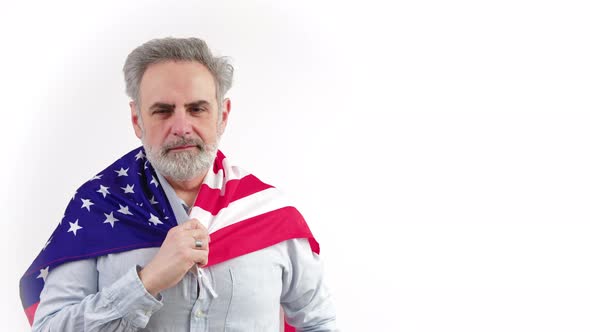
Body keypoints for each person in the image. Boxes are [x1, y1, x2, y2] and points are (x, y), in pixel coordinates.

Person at [20, 37, 338, 331]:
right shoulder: (98, 210)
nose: (182, 127)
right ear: (137, 120)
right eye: (163, 111)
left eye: (197, 109)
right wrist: (146, 282)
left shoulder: (270, 214)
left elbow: (318, 322)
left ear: (222, 116)